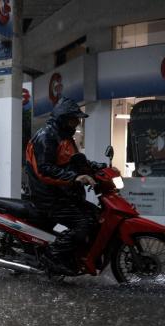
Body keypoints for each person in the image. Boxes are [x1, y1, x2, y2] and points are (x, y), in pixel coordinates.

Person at [24, 97, 106, 275]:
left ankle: (83, 255)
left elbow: (73, 161)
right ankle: (54, 256)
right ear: (63, 118)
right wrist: (76, 177)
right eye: (73, 118)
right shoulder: (46, 137)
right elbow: (45, 170)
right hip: (48, 197)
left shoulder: (65, 137)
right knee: (84, 222)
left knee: (97, 216)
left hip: (64, 194)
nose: (77, 122)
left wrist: (96, 168)